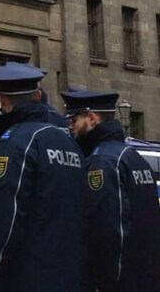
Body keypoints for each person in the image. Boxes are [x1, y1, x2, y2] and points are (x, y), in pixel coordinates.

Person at [0, 62, 83, 292]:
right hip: (69, 273)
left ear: (2, 101)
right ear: (38, 95)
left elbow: (4, 217)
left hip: (26, 276)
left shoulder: (13, 144)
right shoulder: (69, 141)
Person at [62, 89, 160, 292]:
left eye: (73, 120)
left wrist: (105, 282)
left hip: (119, 280)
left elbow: (109, 231)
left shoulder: (103, 162)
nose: (71, 127)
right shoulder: (133, 156)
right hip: (144, 275)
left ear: (91, 118)